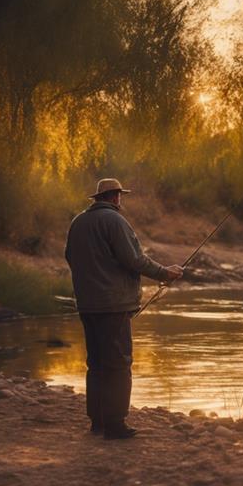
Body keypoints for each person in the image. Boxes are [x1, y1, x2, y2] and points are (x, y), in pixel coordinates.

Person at [64, 178, 183, 439]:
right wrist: (165, 273)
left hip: (87, 305)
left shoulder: (78, 223)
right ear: (116, 197)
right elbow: (134, 259)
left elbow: (70, 257)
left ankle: (97, 421)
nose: (120, 200)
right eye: (120, 195)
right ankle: (116, 424)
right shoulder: (115, 221)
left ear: (97, 197)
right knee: (119, 364)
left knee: (96, 363)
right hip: (113, 305)